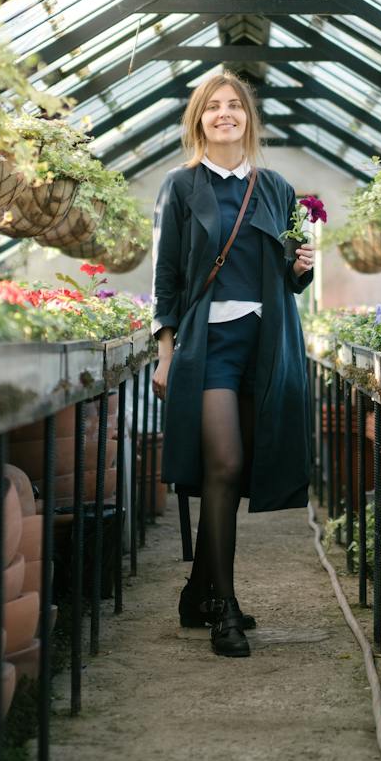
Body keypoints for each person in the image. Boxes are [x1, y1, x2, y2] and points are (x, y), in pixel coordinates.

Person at [150, 72, 316, 658]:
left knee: (241, 472)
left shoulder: (276, 188)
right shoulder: (181, 187)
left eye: (235, 106)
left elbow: (294, 279)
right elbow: (167, 277)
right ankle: (224, 608)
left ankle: (201, 589)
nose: (225, 114)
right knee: (223, 464)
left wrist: (302, 267)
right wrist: (166, 351)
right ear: (198, 120)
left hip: (267, 344)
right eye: (213, 107)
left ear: (249, 119)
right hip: (208, 345)